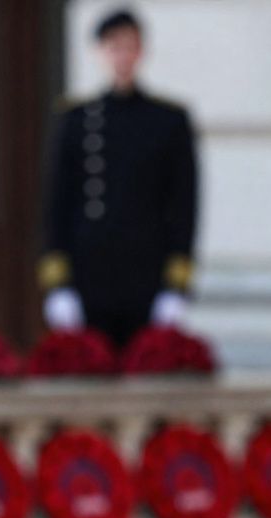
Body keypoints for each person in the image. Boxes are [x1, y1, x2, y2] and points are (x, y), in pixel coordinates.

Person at [39, 8, 197, 345]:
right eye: (114, 47)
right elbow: (57, 204)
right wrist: (58, 285)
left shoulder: (169, 120)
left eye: (129, 46)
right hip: (88, 277)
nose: (122, 56)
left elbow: (183, 205)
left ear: (141, 51)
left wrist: (176, 285)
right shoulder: (75, 120)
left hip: (148, 277)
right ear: (99, 52)